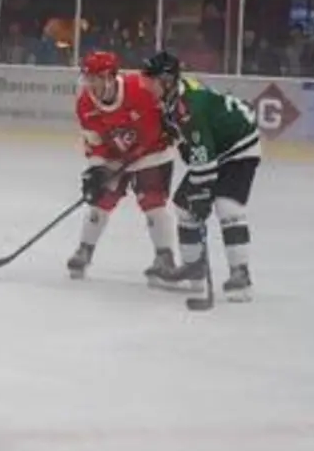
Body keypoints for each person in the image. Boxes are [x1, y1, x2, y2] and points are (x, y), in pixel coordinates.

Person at [140, 52, 260, 301]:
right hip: (216, 146)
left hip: (239, 147)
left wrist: (203, 193)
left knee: (227, 206)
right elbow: (194, 147)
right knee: (184, 207)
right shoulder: (172, 98)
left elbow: (205, 164)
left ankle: (241, 274)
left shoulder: (188, 107)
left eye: (151, 80)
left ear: (167, 80)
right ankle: (194, 270)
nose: (146, 86)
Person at [68, 50, 177, 283]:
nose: (89, 84)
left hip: (152, 153)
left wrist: (143, 148)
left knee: (153, 204)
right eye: (87, 78)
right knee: (101, 201)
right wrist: (97, 170)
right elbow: (95, 141)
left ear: (109, 76)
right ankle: (85, 249)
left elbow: (161, 123)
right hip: (116, 156)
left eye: (94, 78)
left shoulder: (140, 88)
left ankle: (164, 256)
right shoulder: (85, 103)